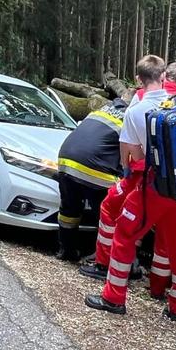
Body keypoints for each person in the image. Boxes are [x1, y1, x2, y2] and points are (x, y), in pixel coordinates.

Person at [85, 54, 176, 324]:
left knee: (124, 234)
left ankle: (113, 298)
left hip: (155, 187)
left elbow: (132, 155)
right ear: (163, 77)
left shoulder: (137, 109)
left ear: (138, 80)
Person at [54, 97, 127, 262]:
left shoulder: (101, 110)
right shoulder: (130, 118)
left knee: (69, 210)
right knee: (105, 213)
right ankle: (102, 256)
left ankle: (66, 250)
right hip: (93, 167)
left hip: (65, 160)